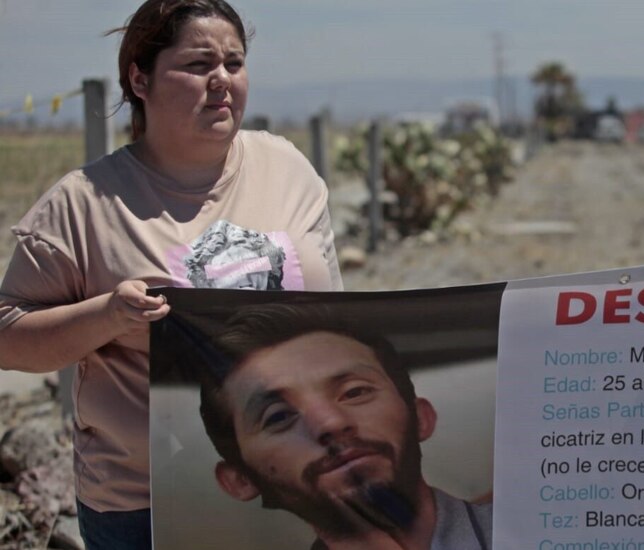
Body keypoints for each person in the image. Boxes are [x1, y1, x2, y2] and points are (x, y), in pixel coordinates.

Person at [0, 1, 342, 548]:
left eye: (234, 63)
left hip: (296, 485)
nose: (222, 81)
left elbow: (341, 318)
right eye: (198, 64)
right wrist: (107, 315)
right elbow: (7, 339)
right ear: (140, 78)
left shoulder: (289, 171)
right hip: (143, 507)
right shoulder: (84, 203)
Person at [196, 304, 492, 550]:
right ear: (240, 480)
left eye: (355, 392)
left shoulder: (531, 527)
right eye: (278, 417)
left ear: (421, 418)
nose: (331, 424)